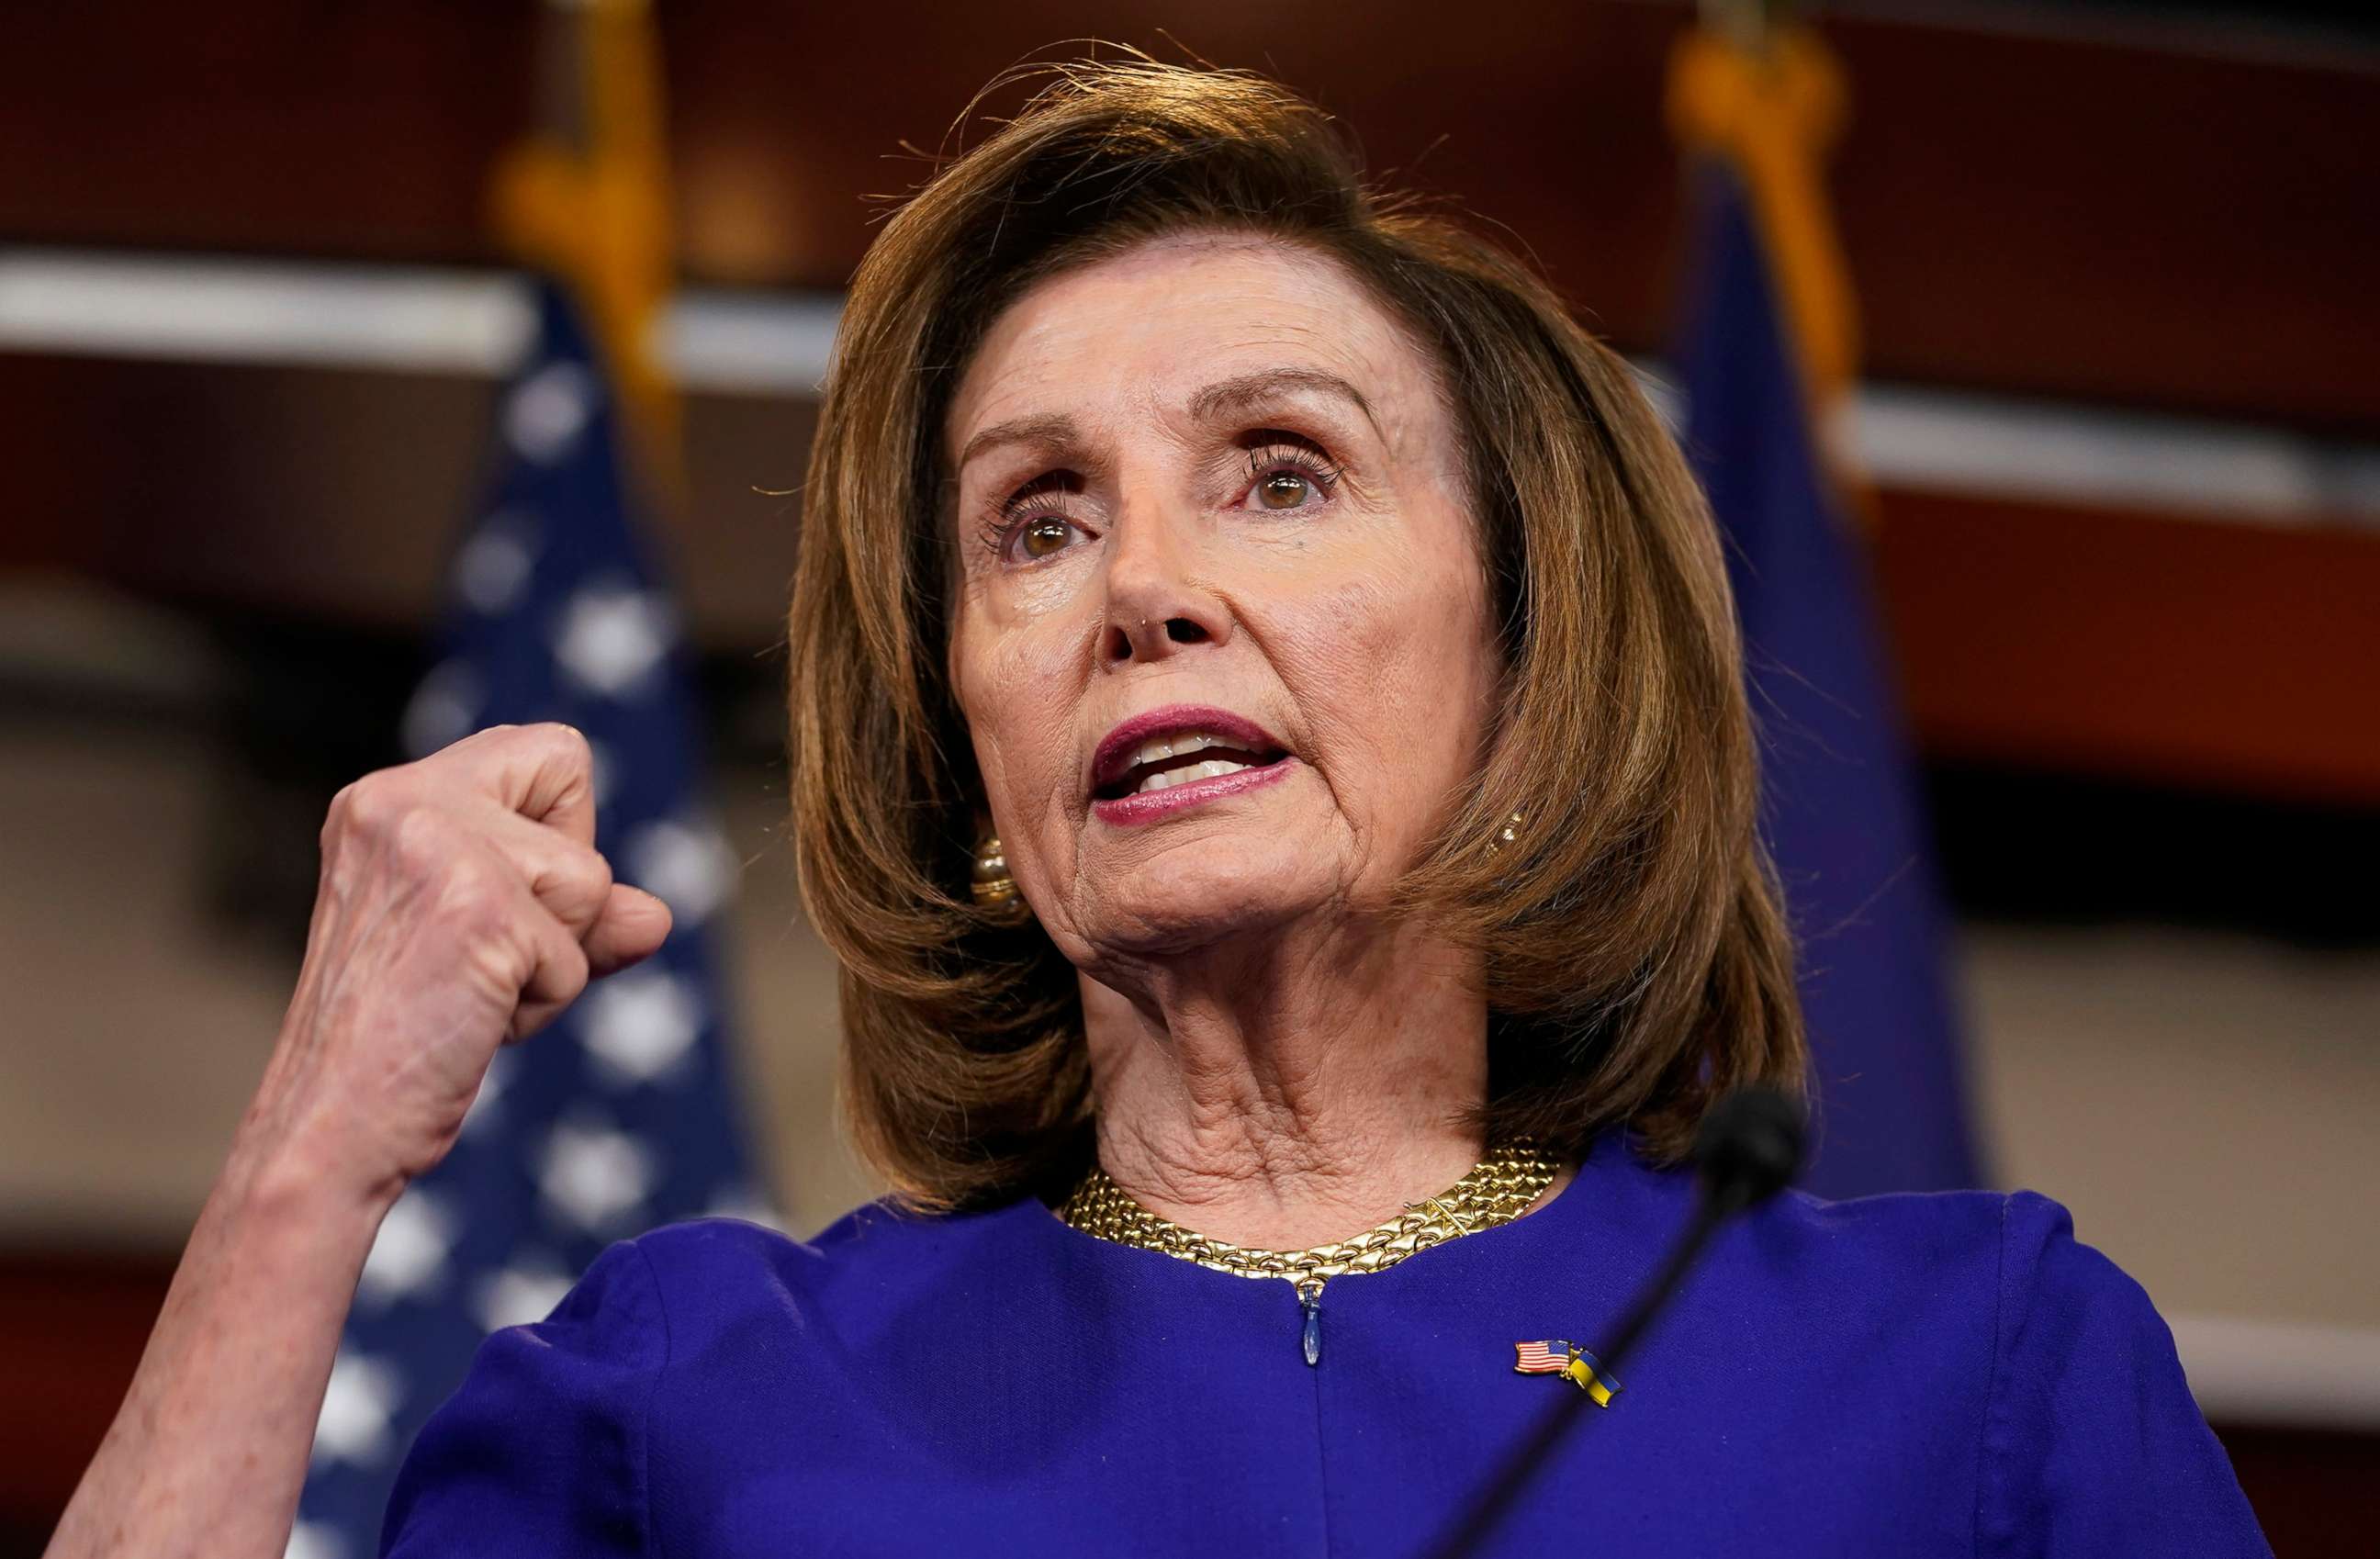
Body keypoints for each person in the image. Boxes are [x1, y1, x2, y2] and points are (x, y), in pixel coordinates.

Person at [47, 60, 2270, 1558]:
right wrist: (310, 1158)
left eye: (1280, 474)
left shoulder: (1971, 1370)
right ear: (975, 762)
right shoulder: (689, 1404)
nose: (1143, 590)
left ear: (1529, 659)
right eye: (1033, 523)